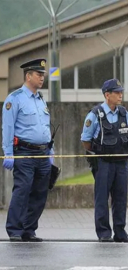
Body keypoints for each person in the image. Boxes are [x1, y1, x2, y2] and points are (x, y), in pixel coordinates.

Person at [2, 58, 54, 242]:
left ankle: (29, 229)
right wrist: (8, 153)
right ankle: (14, 229)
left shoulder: (41, 99)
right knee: (22, 191)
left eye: (43, 75)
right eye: (39, 74)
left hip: (42, 153)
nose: (42, 78)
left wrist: (51, 151)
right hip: (24, 152)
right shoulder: (14, 99)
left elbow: (46, 127)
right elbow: (7, 127)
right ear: (28, 75)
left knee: (40, 193)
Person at [80, 79, 128, 243]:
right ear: (107, 95)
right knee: (102, 197)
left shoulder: (124, 112)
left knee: (120, 197)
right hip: (103, 162)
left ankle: (120, 232)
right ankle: (104, 233)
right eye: (117, 92)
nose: (120, 95)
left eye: (121, 92)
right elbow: (86, 140)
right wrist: (99, 152)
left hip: (121, 162)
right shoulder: (95, 114)